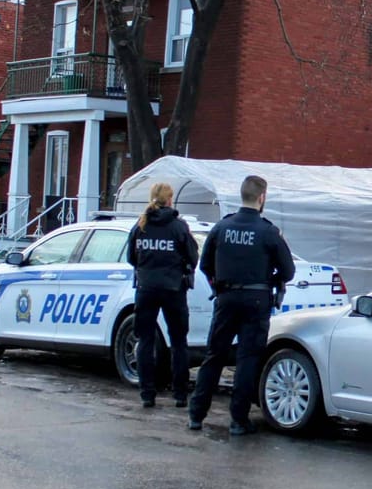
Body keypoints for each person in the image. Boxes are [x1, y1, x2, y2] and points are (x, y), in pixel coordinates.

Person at [188, 175, 295, 435]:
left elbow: (205, 264)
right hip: (256, 300)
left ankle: (196, 415)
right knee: (248, 359)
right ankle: (238, 420)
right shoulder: (268, 232)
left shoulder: (222, 227)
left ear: (242, 195)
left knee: (214, 355)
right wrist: (270, 279)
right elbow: (289, 271)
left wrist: (220, 284)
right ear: (262, 197)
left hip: (226, 298)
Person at [126, 181, 199, 409]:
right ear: (169, 200)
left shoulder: (141, 225)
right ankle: (180, 395)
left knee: (145, 341)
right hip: (173, 289)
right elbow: (193, 257)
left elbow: (131, 258)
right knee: (178, 342)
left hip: (146, 289)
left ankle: (147, 394)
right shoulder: (178, 227)